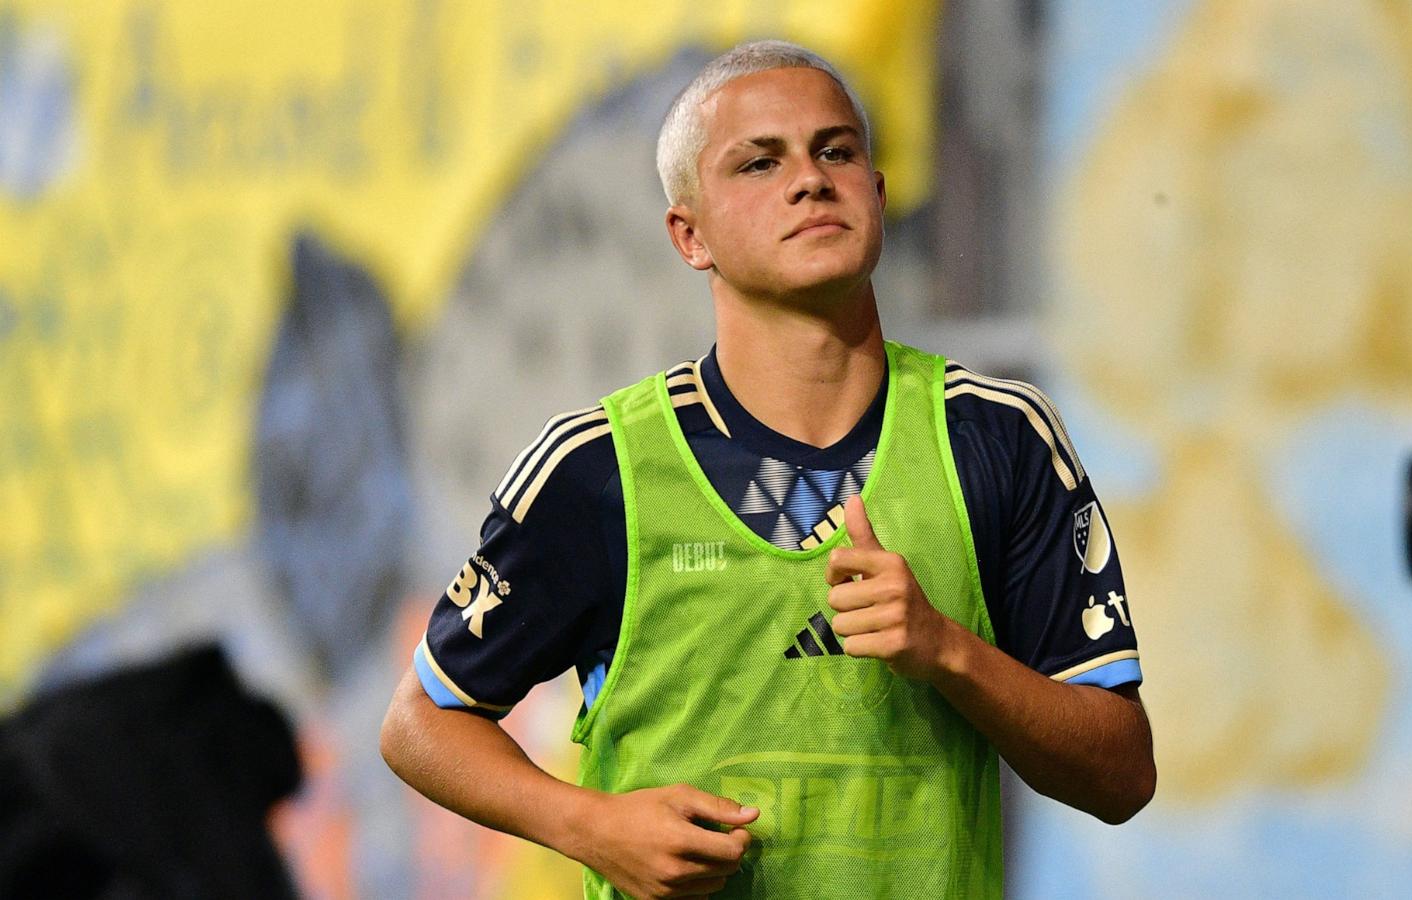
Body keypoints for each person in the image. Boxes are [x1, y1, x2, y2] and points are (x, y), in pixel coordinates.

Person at [380, 40, 1155, 899]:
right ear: (690, 235)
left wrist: (948, 652)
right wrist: (593, 828)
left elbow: (1121, 776)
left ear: (879, 193)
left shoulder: (999, 436)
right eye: (758, 162)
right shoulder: (596, 471)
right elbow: (421, 722)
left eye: (836, 150)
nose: (811, 179)